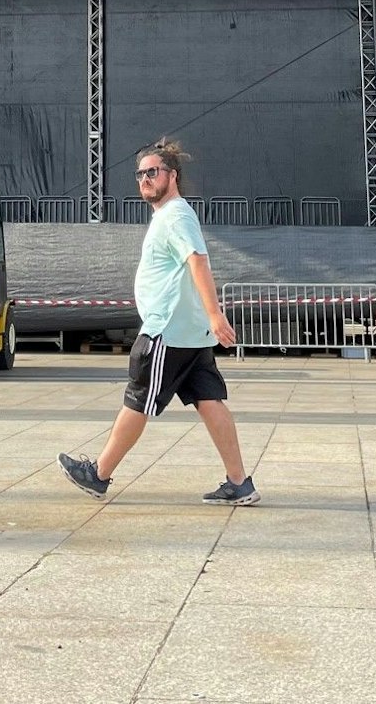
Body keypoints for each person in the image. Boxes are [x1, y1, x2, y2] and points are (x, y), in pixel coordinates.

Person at [59, 139, 258, 506]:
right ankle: (239, 482)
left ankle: (99, 475)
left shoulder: (176, 215)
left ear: (173, 175)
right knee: (210, 401)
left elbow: (197, 261)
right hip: (188, 333)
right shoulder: (169, 215)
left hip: (167, 330)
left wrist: (215, 314)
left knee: (137, 400)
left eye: (153, 172)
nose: (145, 179)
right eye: (140, 174)